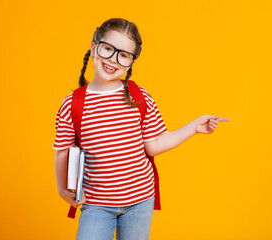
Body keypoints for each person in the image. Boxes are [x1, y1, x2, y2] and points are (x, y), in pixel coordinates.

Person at [53, 18, 230, 240]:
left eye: (124, 55)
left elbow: (154, 145)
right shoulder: (73, 104)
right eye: (108, 48)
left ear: (131, 62)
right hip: (96, 203)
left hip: (140, 201)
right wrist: (62, 189)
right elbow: (63, 150)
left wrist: (193, 127)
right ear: (93, 46)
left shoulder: (139, 97)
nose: (113, 59)